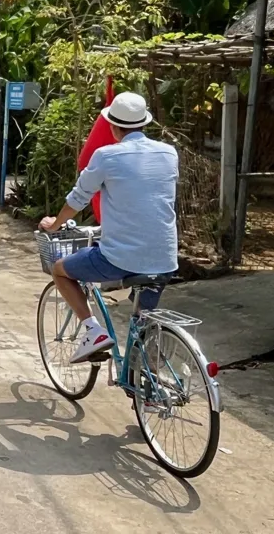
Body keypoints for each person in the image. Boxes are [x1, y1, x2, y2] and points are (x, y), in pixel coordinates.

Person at [40, 92, 179, 364]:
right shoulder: (169, 153)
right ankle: (149, 385)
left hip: (119, 258)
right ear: (143, 123)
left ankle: (93, 332)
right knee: (143, 324)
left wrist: (54, 225)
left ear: (113, 127)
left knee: (59, 270)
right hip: (164, 259)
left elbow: (77, 199)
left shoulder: (106, 155)